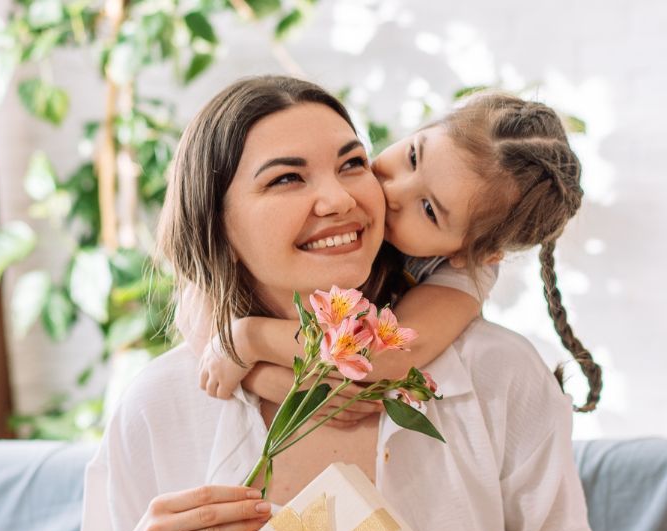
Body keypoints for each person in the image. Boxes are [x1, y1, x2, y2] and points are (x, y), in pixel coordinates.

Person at [80, 75, 599, 531]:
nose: (343, 198)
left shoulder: (495, 372)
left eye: (351, 163)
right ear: (215, 212)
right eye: (286, 179)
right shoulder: (163, 403)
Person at [179, 92, 603, 428]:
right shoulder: (344, 183)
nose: (393, 191)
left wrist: (251, 340)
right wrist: (259, 375)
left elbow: (383, 356)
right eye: (413, 157)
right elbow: (198, 287)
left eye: (430, 210)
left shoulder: (461, 282)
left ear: (472, 254)